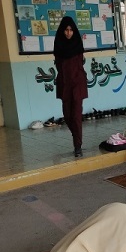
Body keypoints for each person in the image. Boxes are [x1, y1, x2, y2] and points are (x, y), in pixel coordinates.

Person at [53, 16, 88, 157]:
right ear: (62, 31)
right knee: (67, 115)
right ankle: (76, 136)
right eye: (66, 30)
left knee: (76, 116)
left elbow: (80, 65)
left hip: (77, 84)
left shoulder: (78, 46)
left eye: (71, 30)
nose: (68, 33)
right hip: (64, 84)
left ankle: (77, 146)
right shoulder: (58, 47)